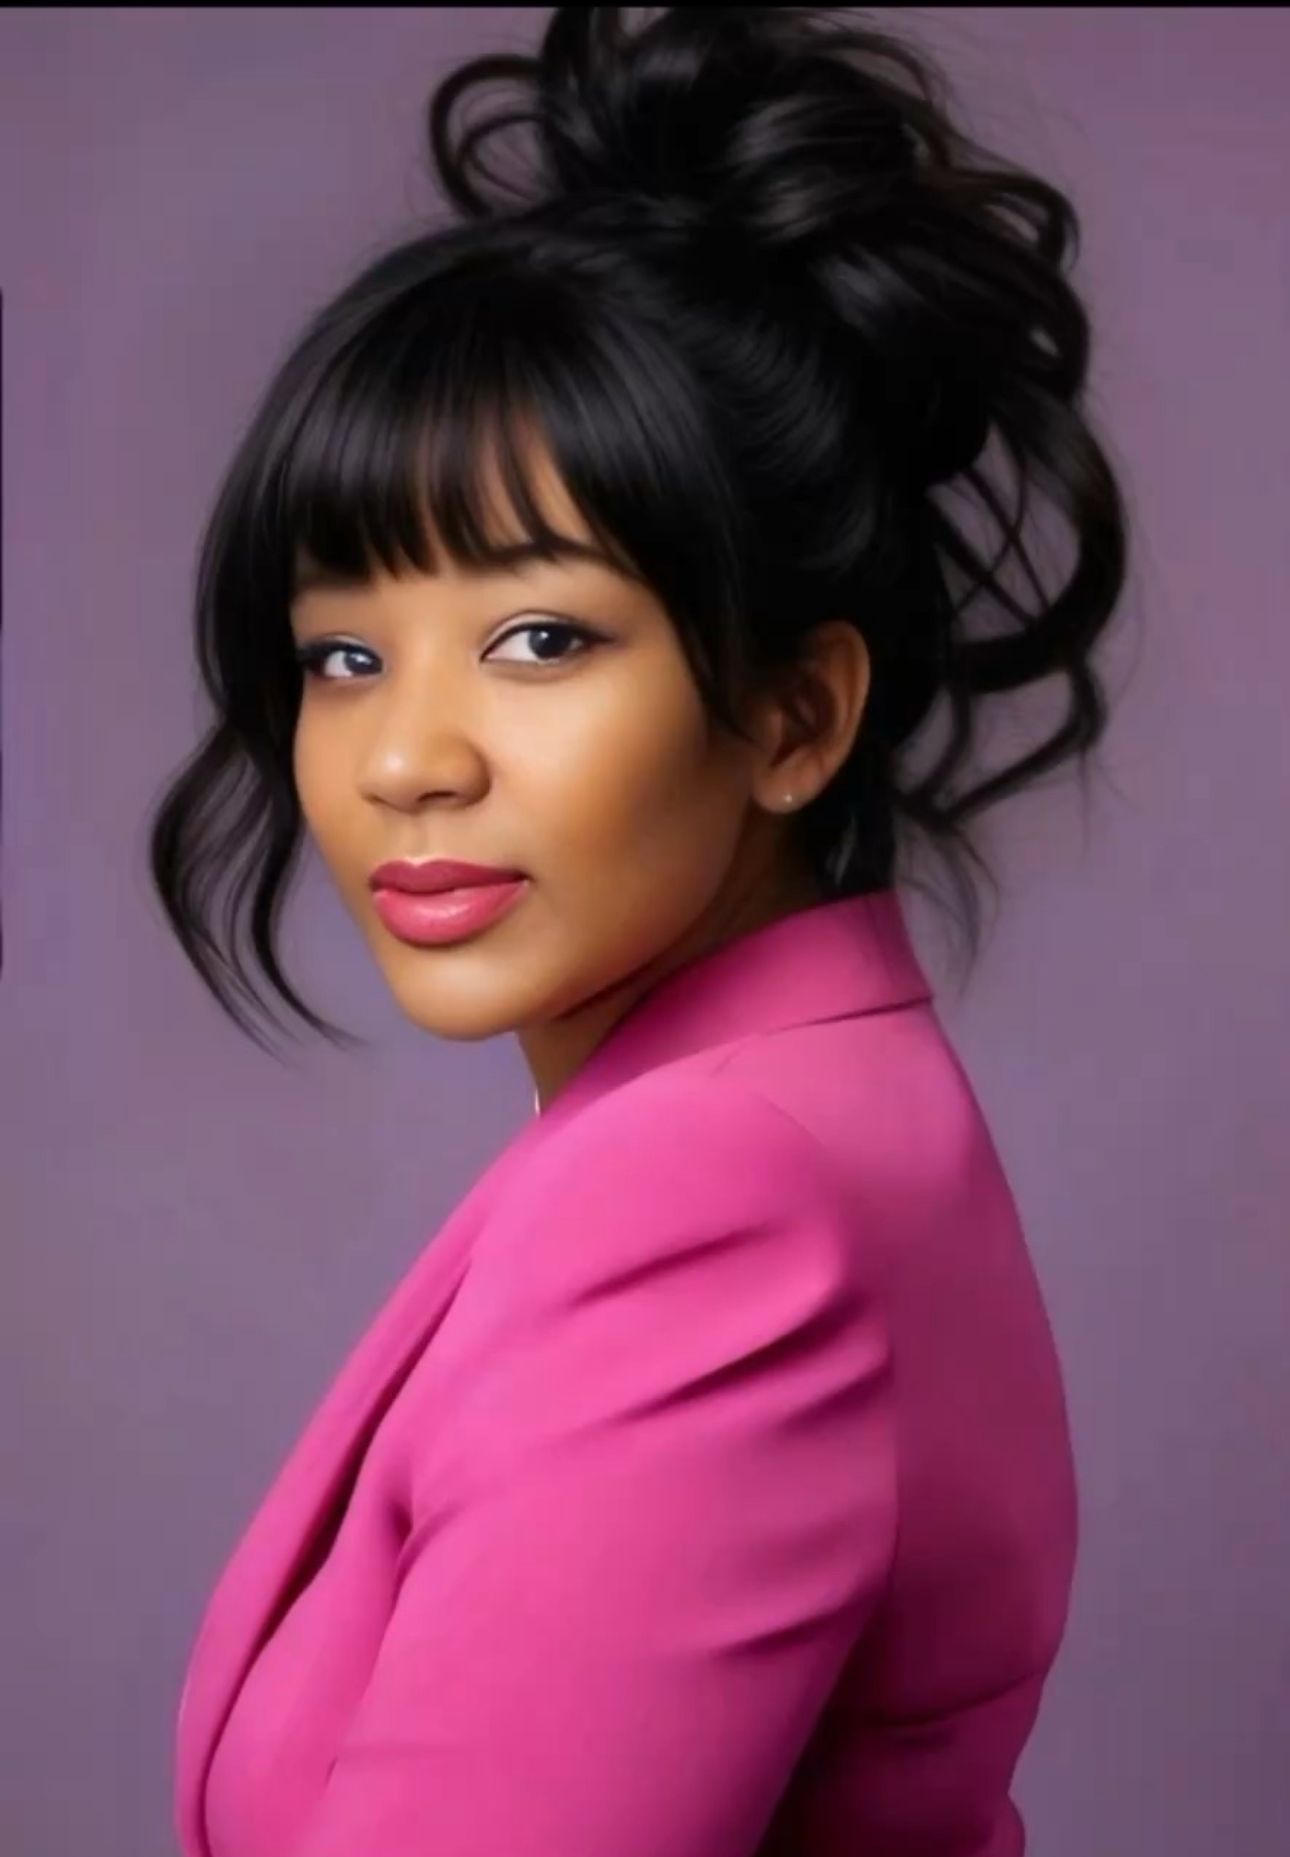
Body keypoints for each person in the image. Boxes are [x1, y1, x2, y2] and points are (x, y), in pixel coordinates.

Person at [148, 8, 1129, 1854]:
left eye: (539, 639)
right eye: (342, 654)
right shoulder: (813, 1116)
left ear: (792, 716)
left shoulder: (706, 1200)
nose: (406, 759)